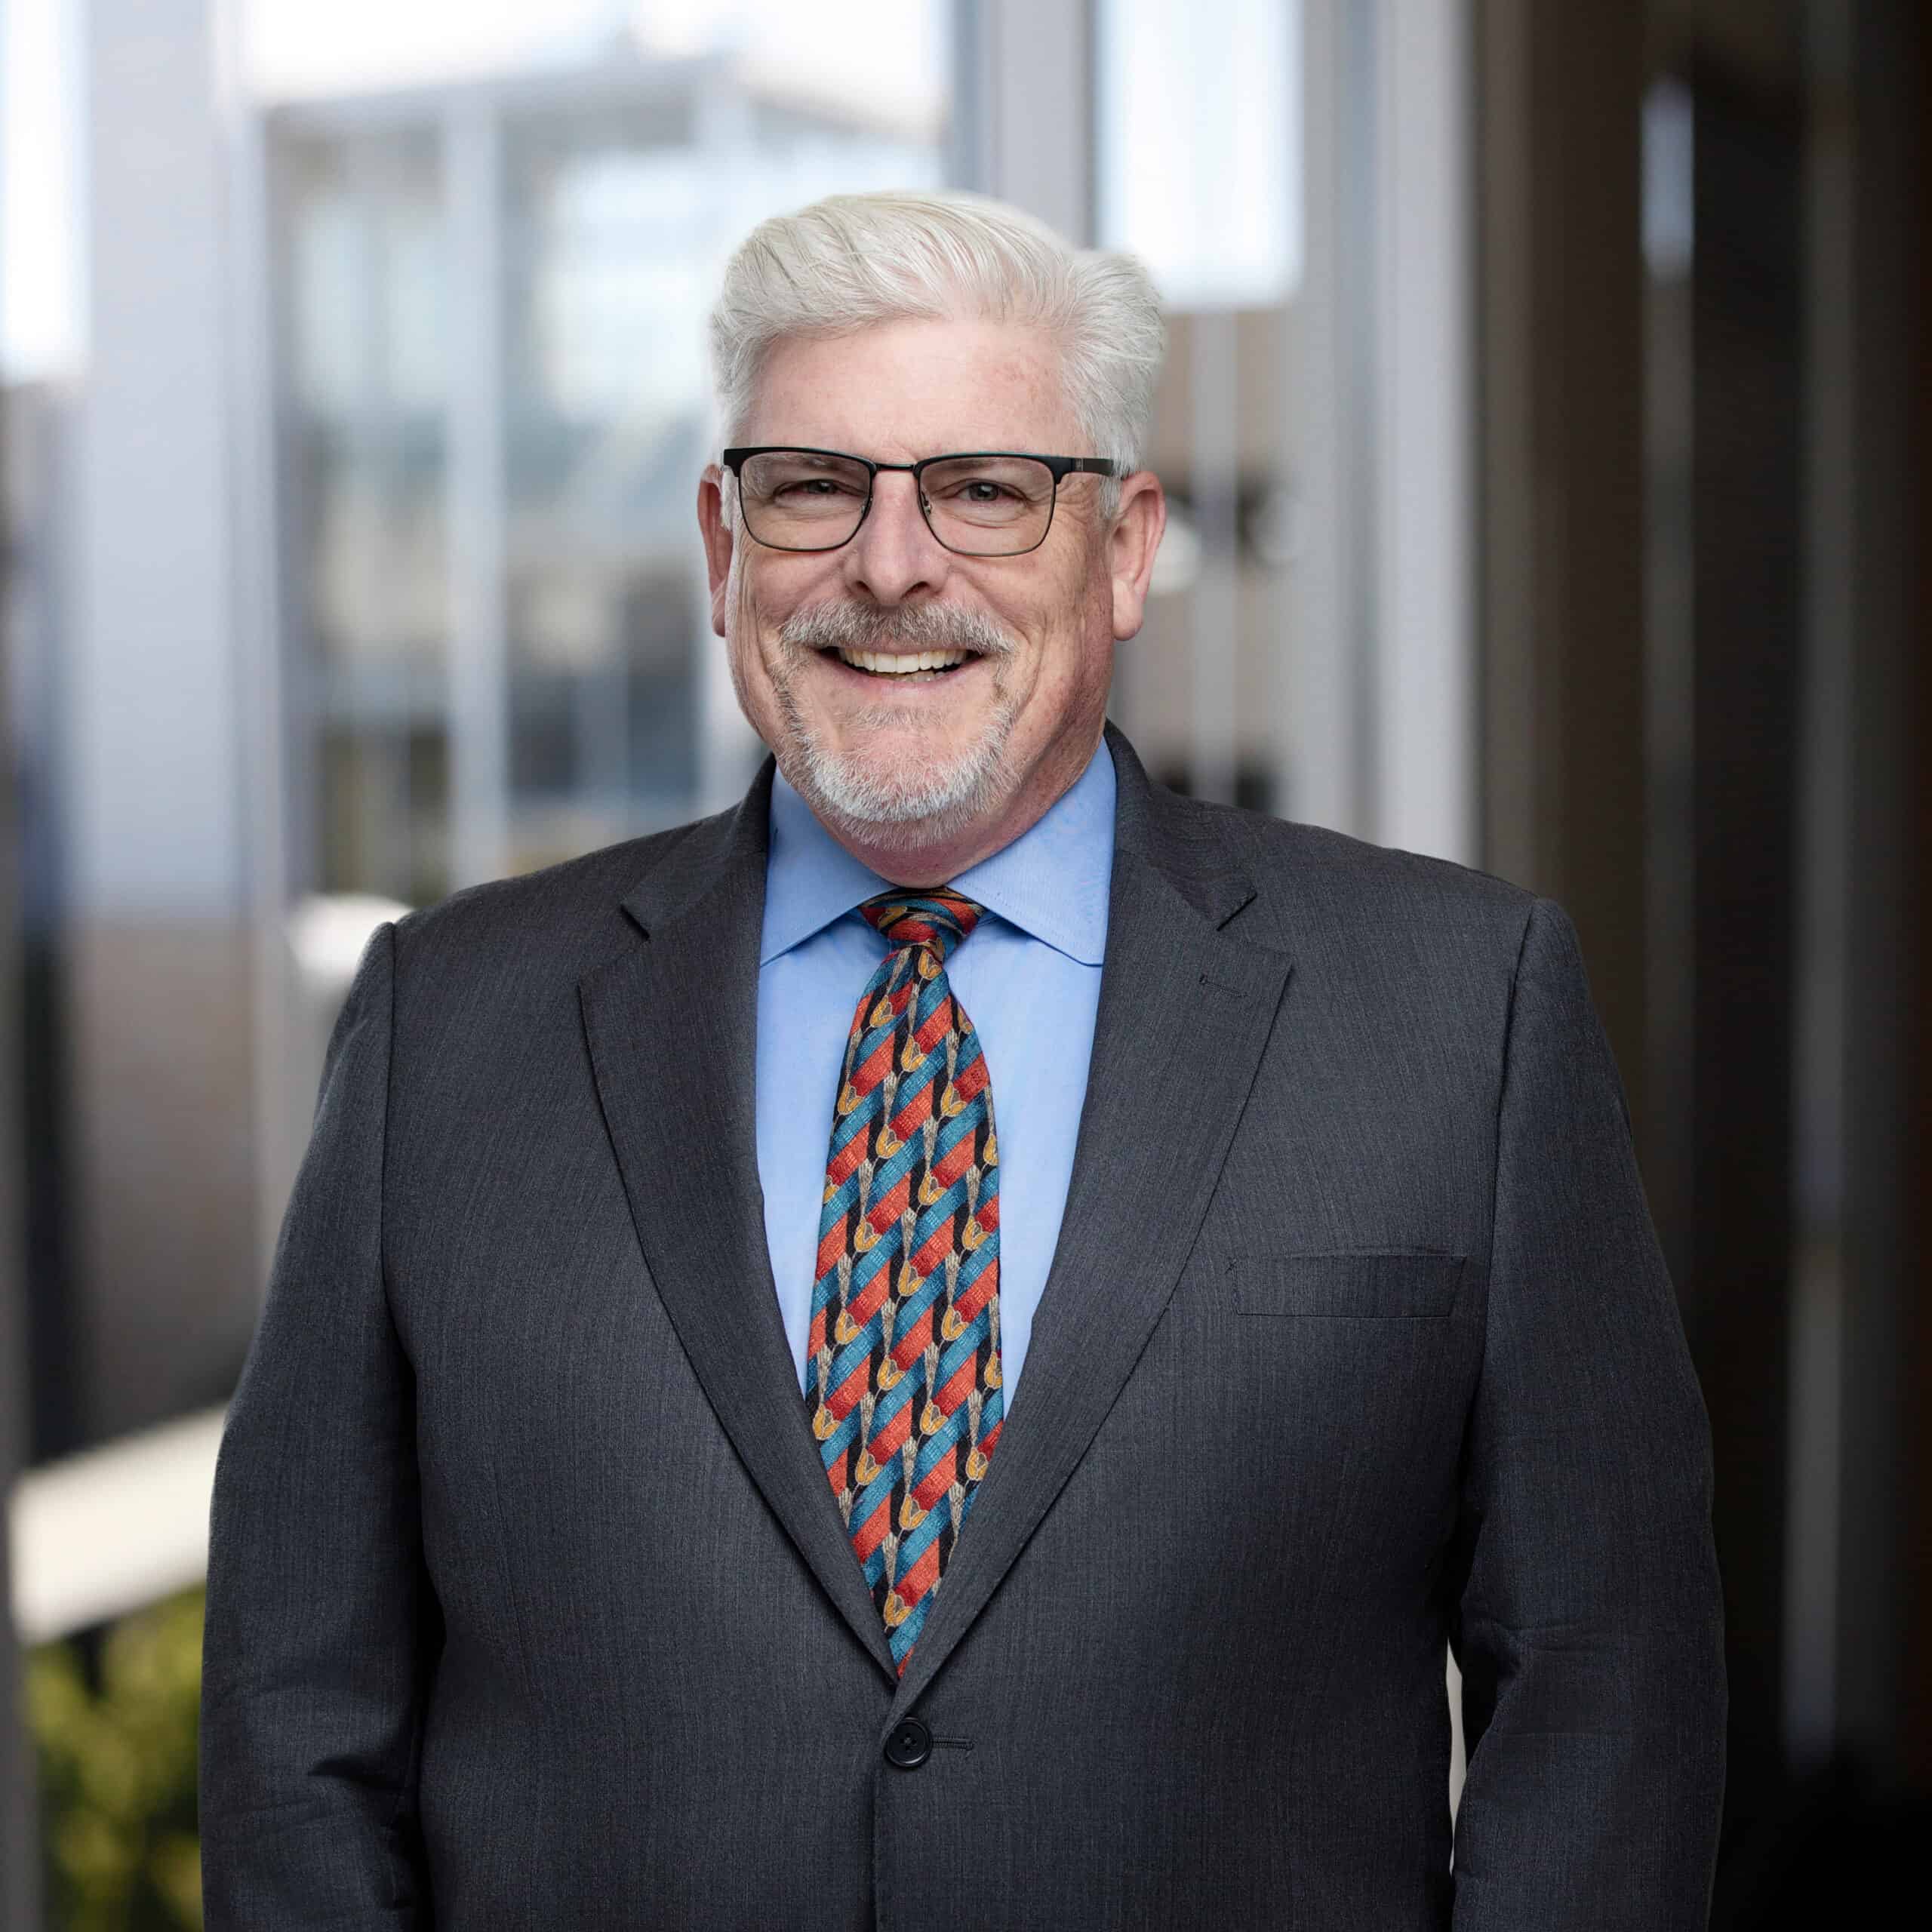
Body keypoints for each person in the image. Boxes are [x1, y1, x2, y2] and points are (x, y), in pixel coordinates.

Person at [199, 190, 1726, 1930]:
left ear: (1127, 546)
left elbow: (1604, 1678)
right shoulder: (444, 1018)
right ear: (721, 548)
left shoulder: (1462, 1005)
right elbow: (292, 1708)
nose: (891, 562)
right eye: (811, 486)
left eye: (985, 489)